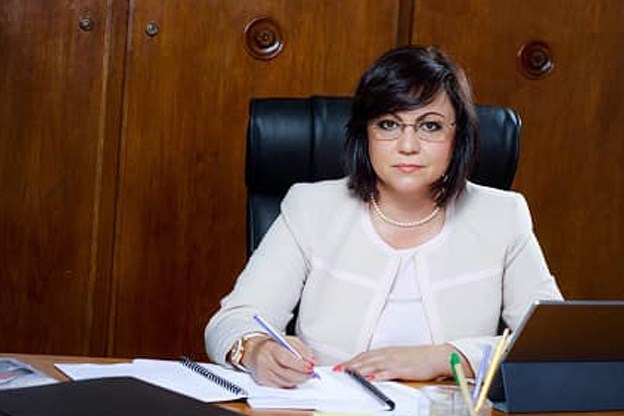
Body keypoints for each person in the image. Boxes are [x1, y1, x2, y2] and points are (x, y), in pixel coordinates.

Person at [205, 45, 562, 388]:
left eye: (430, 126)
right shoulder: (310, 208)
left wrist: (444, 358)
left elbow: (553, 347)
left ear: (459, 136)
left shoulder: (503, 216)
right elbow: (232, 320)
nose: (408, 146)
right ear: (366, 133)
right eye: (389, 124)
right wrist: (256, 350)